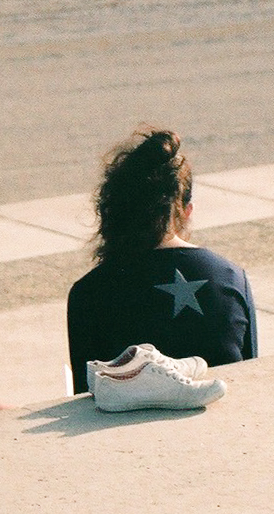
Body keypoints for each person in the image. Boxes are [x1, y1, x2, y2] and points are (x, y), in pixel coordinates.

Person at [66, 128, 258, 395]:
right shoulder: (231, 277)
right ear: (186, 211)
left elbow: (87, 398)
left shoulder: (89, 292)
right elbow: (250, 378)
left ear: (113, 212)